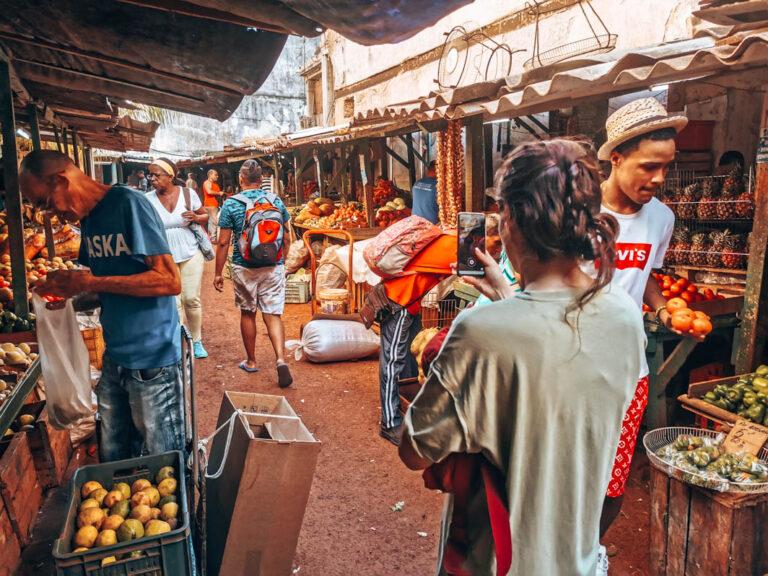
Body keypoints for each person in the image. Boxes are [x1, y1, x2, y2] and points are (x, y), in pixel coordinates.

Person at [398, 139, 645, 575]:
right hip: (579, 563)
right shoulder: (624, 315)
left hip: (497, 563)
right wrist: (510, 297)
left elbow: (415, 450)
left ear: (509, 219)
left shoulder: (481, 334)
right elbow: (556, 370)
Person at [19, 150, 183, 462]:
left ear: (60, 180)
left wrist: (88, 283)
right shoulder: (90, 222)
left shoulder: (128, 204)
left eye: (44, 202)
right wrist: (65, 297)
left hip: (152, 358)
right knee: (114, 455)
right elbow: (107, 286)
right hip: (116, 356)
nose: (49, 213)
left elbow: (169, 281)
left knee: (162, 461)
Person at [594, 98, 692, 539]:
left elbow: (647, 273)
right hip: (569, 366)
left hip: (628, 369)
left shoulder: (662, 218)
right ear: (617, 157)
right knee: (562, 471)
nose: (659, 179)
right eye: (649, 166)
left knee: (613, 480)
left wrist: (664, 305)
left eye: (667, 168)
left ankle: (588, 551)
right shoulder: (577, 214)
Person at [361, 232, 455, 445]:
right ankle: (389, 422)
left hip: (409, 300)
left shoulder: (447, 238)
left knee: (410, 359)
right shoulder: (459, 247)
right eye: (495, 242)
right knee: (392, 362)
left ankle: (407, 409)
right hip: (399, 301)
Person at [213, 159, 293, 387]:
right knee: (273, 314)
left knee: (248, 312)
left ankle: (251, 360)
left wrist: (218, 273)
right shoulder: (275, 200)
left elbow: (223, 242)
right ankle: (280, 358)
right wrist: (281, 262)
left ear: (241, 178)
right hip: (273, 265)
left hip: (244, 265)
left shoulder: (231, 204)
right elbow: (286, 237)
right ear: (261, 179)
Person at [145, 158, 210, 359]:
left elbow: (205, 215)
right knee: (174, 302)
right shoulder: (147, 199)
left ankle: (197, 340)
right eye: (151, 175)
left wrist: (196, 218)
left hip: (191, 251)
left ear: (171, 176)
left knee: (191, 298)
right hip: (163, 255)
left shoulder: (188, 194)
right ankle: (181, 340)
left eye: (157, 175)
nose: (152, 179)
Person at [202, 169, 222, 240]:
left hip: (214, 205)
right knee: (214, 223)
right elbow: (209, 191)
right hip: (210, 205)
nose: (217, 176)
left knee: (212, 223)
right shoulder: (207, 182)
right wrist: (219, 193)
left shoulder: (215, 184)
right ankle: (213, 239)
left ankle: (212, 239)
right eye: (215, 174)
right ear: (210, 175)